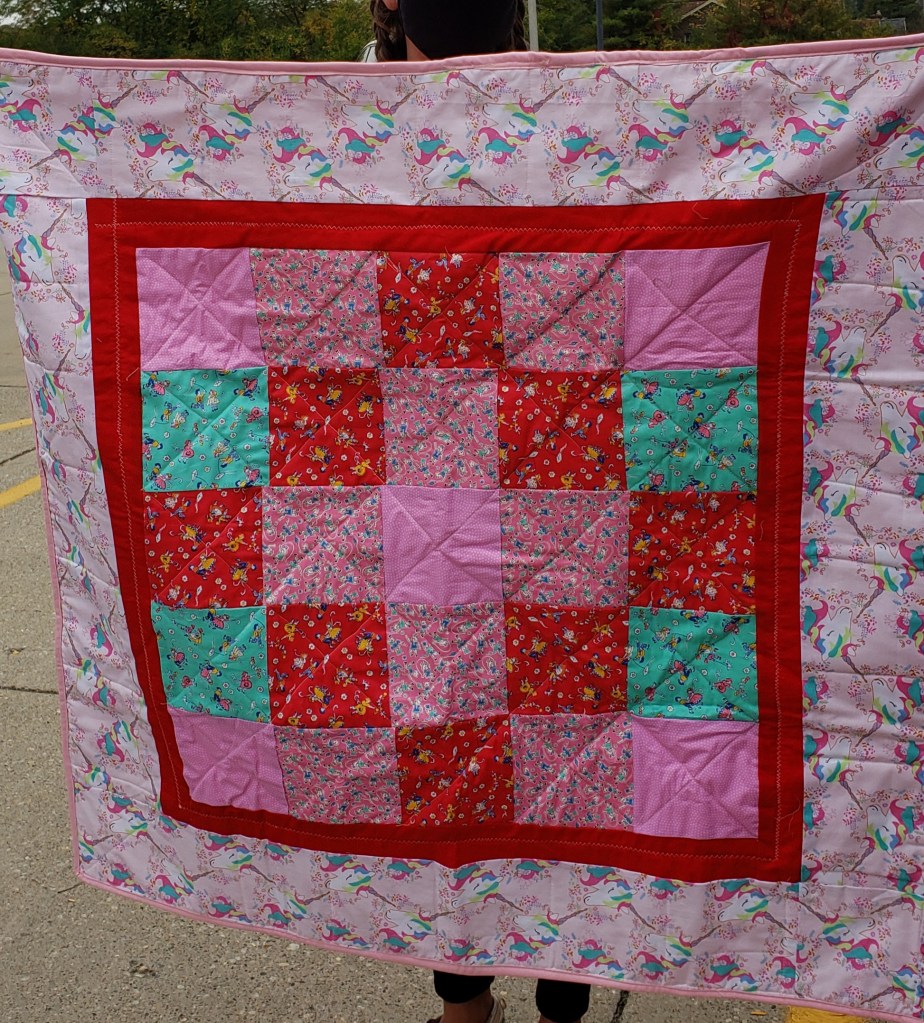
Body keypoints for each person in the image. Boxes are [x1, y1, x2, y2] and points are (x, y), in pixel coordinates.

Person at [367, 7, 594, 1023]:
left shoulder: (553, 109)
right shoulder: (360, 119)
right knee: (462, 751)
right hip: (430, 489)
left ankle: (536, 1003)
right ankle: (474, 1000)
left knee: (557, 747)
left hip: (550, 478)